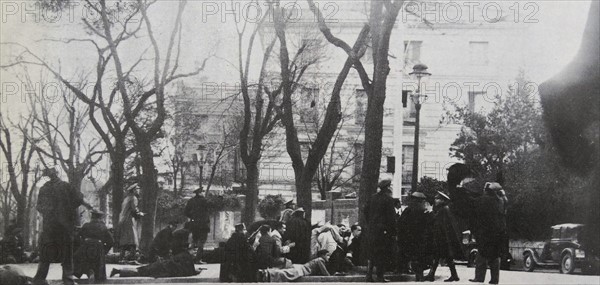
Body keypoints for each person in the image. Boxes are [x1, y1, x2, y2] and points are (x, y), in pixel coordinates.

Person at [33, 168, 94, 285]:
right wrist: (90, 207)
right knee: (67, 254)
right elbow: (81, 199)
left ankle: (39, 280)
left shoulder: (43, 189)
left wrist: (49, 214)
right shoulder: (66, 186)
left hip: (49, 227)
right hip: (64, 227)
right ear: (57, 174)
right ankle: (68, 280)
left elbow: (39, 207)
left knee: (45, 254)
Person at [110, 228, 200, 278]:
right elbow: (185, 270)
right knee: (143, 271)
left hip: (163, 265)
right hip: (164, 267)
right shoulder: (184, 254)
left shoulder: (182, 252)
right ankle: (119, 271)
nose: (190, 242)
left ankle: (119, 271)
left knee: (143, 270)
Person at [469, 183, 506, 285]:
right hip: (498, 233)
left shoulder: (482, 200)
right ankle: (494, 279)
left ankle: (479, 277)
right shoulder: (500, 201)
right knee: (495, 256)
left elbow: (474, 213)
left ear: (486, 190)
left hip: (484, 232)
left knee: (481, 254)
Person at [425, 191, 463, 282]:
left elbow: (437, 223)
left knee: (439, 257)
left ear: (442, 200)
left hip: (442, 239)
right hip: (444, 238)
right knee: (444, 258)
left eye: (437, 199)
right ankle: (453, 275)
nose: (435, 200)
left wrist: (430, 212)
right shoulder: (443, 209)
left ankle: (432, 275)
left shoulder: (443, 210)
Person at [397, 191, 434, 282]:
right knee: (420, 259)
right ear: (420, 201)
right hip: (421, 240)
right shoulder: (424, 211)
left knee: (414, 259)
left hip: (409, 239)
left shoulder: (407, 210)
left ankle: (418, 276)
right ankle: (419, 277)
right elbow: (429, 226)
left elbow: (400, 224)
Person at [364, 179, 396, 282]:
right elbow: (391, 218)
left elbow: (365, 211)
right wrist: (393, 232)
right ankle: (380, 276)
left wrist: (371, 223)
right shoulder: (388, 199)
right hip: (383, 231)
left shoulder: (372, 198)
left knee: (372, 253)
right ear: (387, 187)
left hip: (372, 230)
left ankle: (369, 275)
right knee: (381, 254)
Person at [73, 210, 114, 282]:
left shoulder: (86, 225)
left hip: (86, 245)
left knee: (79, 259)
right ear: (100, 218)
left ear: (92, 217)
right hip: (98, 246)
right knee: (98, 264)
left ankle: (88, 272)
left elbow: (77, 237)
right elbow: (111, 241)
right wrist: (104, 250)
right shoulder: (103, 227)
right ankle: (95, 275)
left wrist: (82, 245)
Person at [257, 249, 331, 282]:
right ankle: (267, 273)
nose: (329, 257)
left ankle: (267, 272)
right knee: (285, 274)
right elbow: (325, 273)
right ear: (322, 255)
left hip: (300, 268)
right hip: (301, 270)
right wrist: (332, 277)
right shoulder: (320, 260)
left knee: (284, 272)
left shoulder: (318, 260)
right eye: (327, 255)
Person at [118, 184, 145, 263]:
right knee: (133, 240)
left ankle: (121, 258)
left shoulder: (126, 198)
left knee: (124, 240)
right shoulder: (133, 198)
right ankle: (133, 259)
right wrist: (140, 214)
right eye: (137, 189)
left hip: (123, 221)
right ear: (134, 190)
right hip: (129, 220)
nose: (138, 190)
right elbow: (134, 210)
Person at [184, 188, 210, 264]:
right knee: (201, 242)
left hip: (194, 224)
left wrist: (192, 216)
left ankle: (190, 258)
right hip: (203, 225)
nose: (204, 193)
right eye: (203, 192)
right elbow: (211, 208)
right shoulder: (204, 201)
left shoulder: (191, 201)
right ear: (199, 193)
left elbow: (185, 212)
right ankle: (198, 259)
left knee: (194, 241)